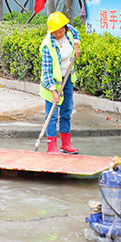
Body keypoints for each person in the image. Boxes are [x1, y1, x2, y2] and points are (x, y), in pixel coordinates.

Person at [40, 11, 82, 154]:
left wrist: (76, 46)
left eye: (61, 30)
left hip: (67, 79)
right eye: (55, 32)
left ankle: (66, 144)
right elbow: (46, 72)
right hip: (51, 84)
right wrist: (53, 91)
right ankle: (51, 147)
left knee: (67, 110)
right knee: (52, 114)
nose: (59, 34)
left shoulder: (69, 33)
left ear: (65, 27)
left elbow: (76, 33)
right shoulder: (47, 46)